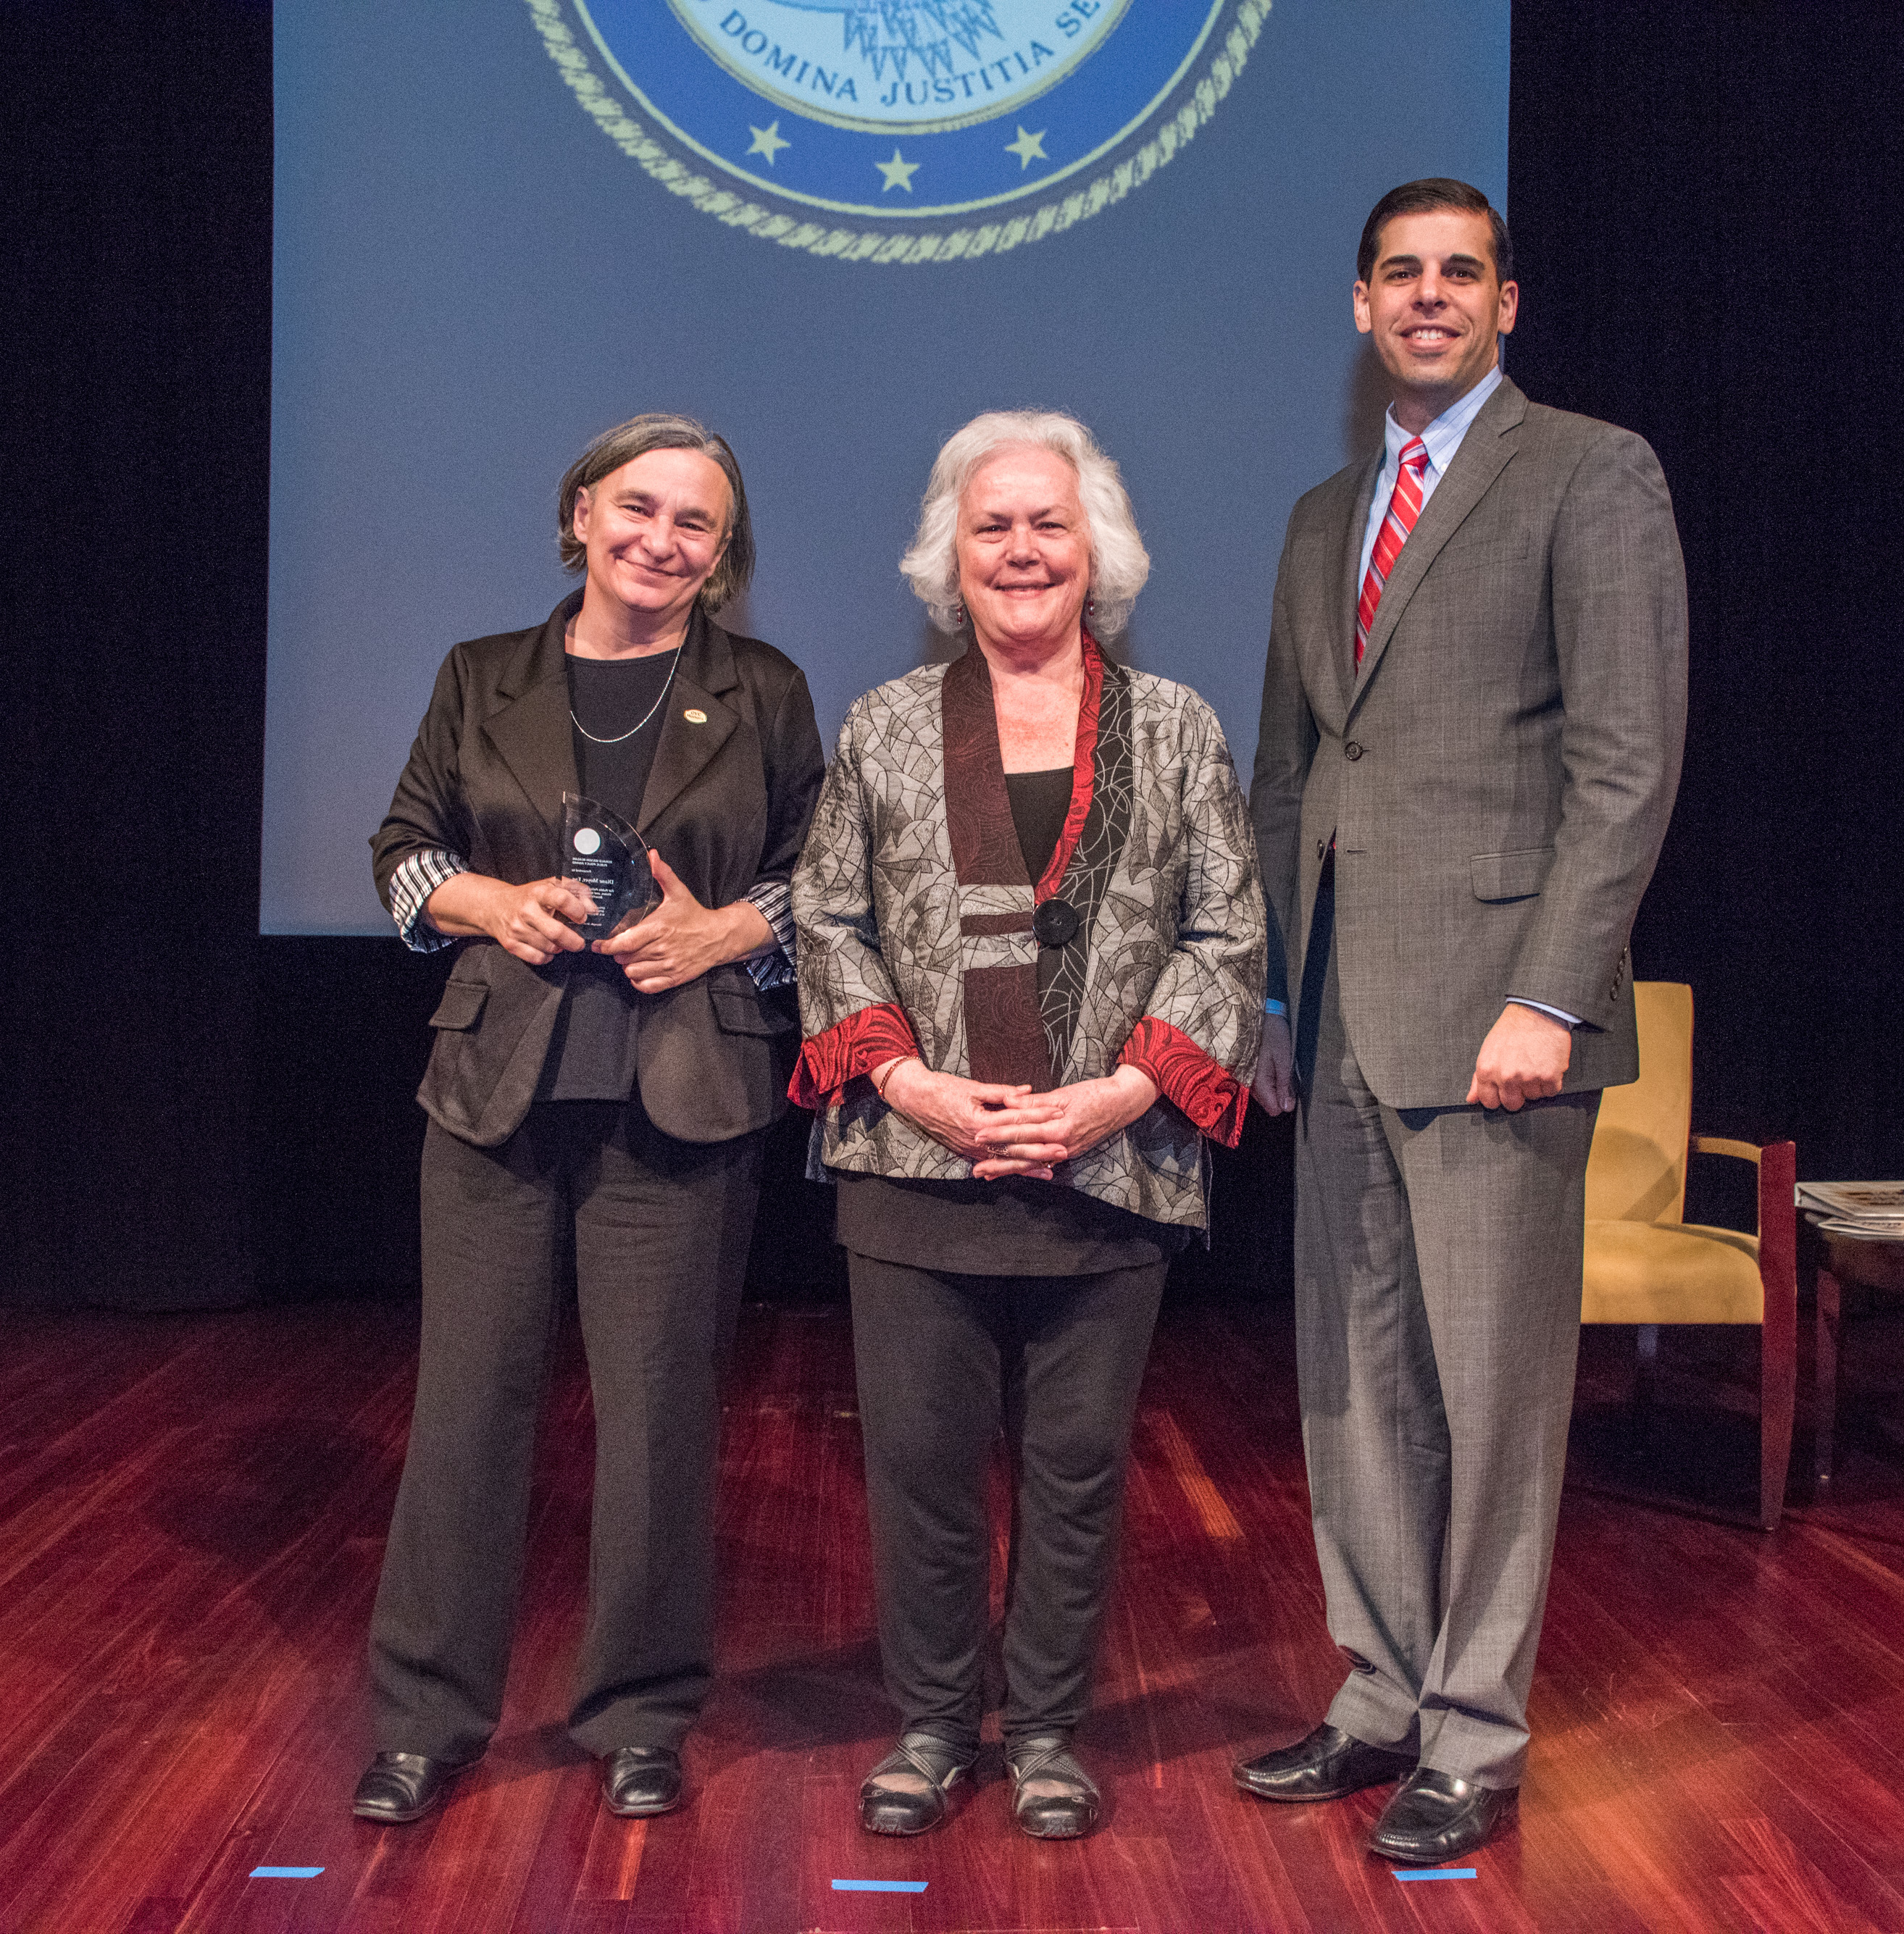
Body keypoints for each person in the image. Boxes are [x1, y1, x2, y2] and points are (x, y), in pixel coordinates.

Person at [1234, 179, 1688, 1865]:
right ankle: (1377, 1693)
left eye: (1460, 273)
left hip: (1502, 1021)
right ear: (1359, 307)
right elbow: (1290, 772)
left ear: (1505, 304)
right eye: (1398, 274)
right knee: (1352, 1385)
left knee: (1491, 1395)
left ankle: (1474, 1732)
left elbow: (1623, 764)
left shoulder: (1588, 471)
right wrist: (1273, 988)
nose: (1427, 295)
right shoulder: (1316, 516)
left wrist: (1549, 995)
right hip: (1338, 1011)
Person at [788, 411, 1264, 1841]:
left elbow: (1226, 929)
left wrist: (1122, 1092)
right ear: (951, 557)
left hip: (1111, 1166)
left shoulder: (1176, 726)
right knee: (921, 1476)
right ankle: (935, 1727)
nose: (1020, 549)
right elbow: (828, 917)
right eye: (990, 525)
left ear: (1094, 550)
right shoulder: (882, 725)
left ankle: (1048, 1732)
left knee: (1075, 1477)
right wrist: (910, 1085)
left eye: (1047, 523)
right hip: (914, 1167)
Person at [354, 413, 825, 1828]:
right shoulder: (478, 673)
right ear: (579, 513)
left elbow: (824, 874)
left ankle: (640, 1713)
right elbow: (402, 851)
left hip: (682, 1093)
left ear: (721, 556)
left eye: (695, 524)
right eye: (636, 507)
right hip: (493, 1092)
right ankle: (426, 1717)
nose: (659, 540)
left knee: (661, 1417)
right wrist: (491, 903)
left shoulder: (763, 688)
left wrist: (723, 930)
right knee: (465, 1411)